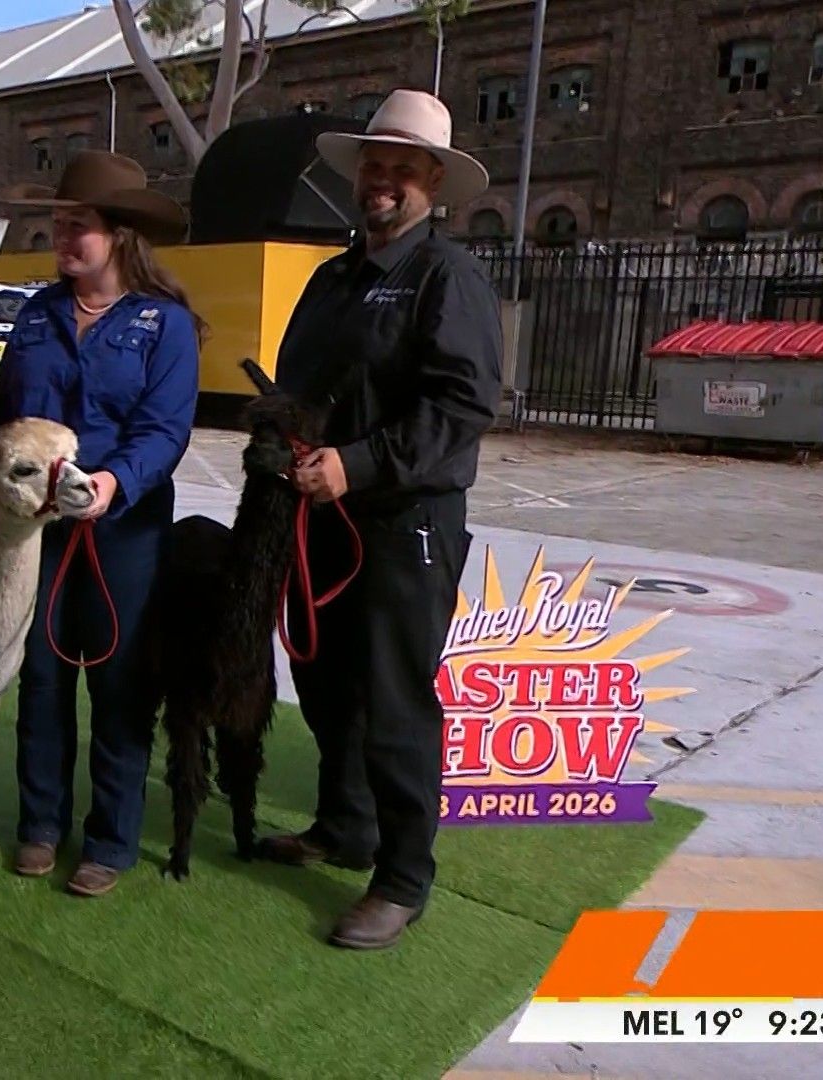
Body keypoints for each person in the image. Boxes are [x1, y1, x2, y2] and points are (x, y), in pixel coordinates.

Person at [262, 89, 503, 949]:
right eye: (374, 165)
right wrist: (288, 441)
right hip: (321, 514)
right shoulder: (333, 278)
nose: (383, 181)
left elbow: (461, 408)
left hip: (406, 523)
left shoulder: (447, 278)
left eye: (403, 169)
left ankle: (403, 877)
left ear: (433, 183)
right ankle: (344, 826)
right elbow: (299, 383)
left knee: (395, 704)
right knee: (327, 685)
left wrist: (355, 464)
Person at [0, 150, 201, 898]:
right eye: (59, 224)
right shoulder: (36, 315)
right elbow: (0, 423)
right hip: (34, 531)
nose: (64, 239)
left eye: (80, 226)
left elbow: (165, 430)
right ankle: (41, 825)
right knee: (40, 675)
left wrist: (115, 481)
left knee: (119, 683)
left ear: (121, 234)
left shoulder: (164, 325)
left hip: (123, 530)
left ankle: (110, 838)